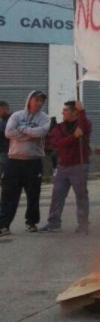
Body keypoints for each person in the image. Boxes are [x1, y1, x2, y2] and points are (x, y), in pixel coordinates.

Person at [0, 90, 51, 236]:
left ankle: (31, 222)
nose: (39, 103)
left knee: (33, 194)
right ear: (29, 100)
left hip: (33, 162)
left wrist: (22, 130)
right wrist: (29, 133)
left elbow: (41, 132)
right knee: (9, 194)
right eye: (36, 100)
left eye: (41, 101)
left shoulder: (44, 118)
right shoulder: (16, 116)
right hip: (14, 161)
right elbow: (8, 133)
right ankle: (3, 225)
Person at [39, 100, 92, 234]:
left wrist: (82, 111)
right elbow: (59, 143)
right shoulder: (59, 128)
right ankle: (54, 223)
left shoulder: (83, 123)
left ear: (75, 112)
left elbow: (86, 128)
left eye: (66, 110)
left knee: (81, 196)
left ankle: (83, 224)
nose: (63, 112)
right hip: (63, 166)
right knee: (57, 194)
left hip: (79, 164)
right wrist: (74, 137)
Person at [0, 101, 10, 178]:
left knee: (5, 169)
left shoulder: (11, 120)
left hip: (7, 150)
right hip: (3, 150)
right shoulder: (3, 120)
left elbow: (7, 133)